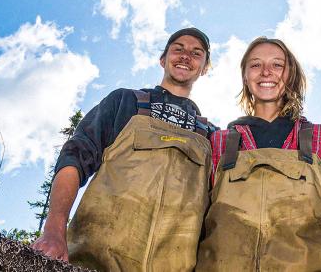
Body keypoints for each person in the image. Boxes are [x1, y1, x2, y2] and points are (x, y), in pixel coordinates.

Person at [31, 27, 217, 271]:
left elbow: (215, 212)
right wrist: (54, 231)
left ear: (204, 68)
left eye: (196, 53)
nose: (185, 56)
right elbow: (74, 157)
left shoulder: (211, 134)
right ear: (163, 59)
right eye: (178, 49)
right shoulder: (124, 101)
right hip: (95, 260)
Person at [196, 37, 321, 271]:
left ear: (290, 74)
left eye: (277, 65)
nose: (266, 72)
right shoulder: (219, 142)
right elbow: (192, 217)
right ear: (245, 76)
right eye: (255, 65)